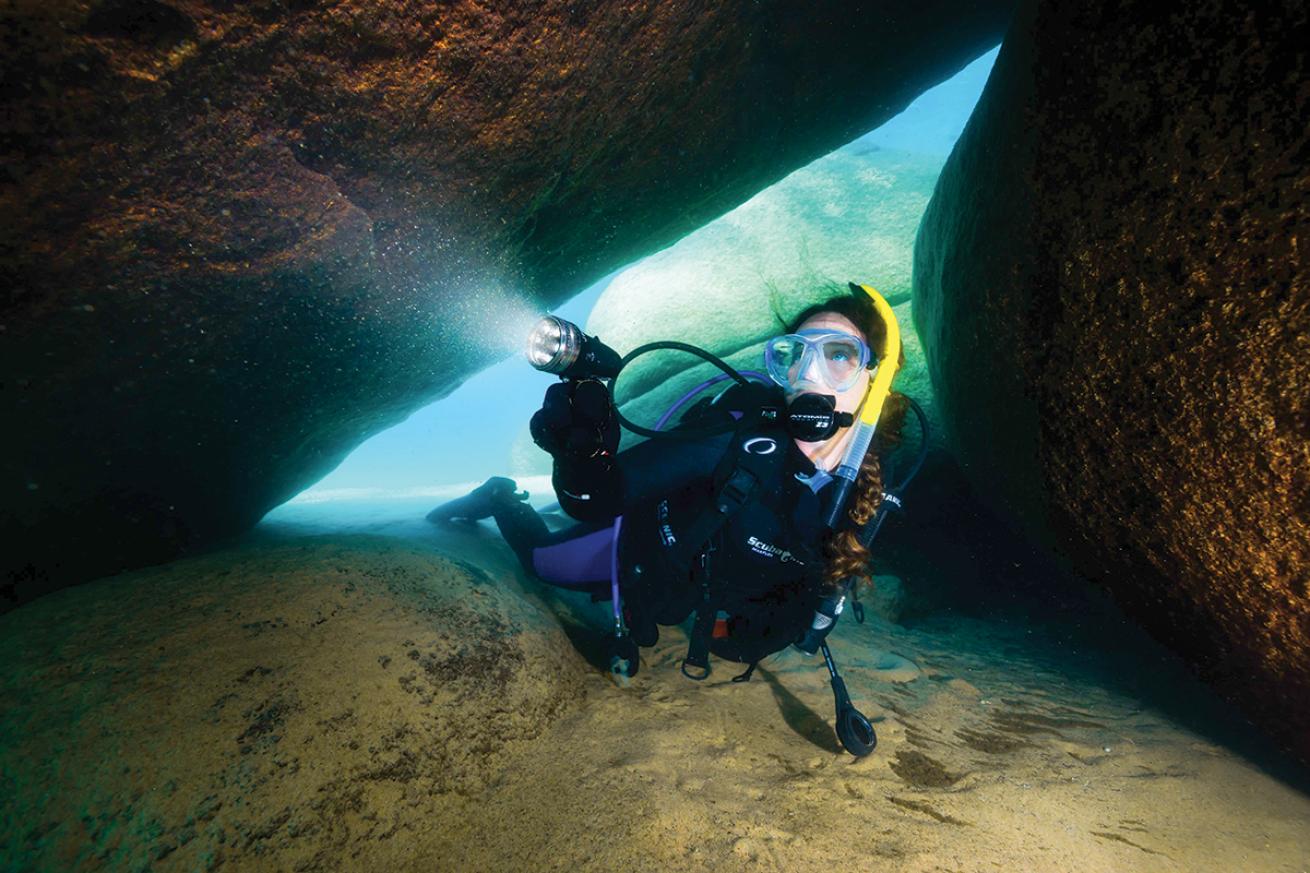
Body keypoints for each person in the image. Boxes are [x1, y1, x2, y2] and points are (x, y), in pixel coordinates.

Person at [427, 282, 907, 683]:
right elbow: (600, 497)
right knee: (541, 563)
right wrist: (579, 455)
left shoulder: (872, 480)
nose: (809, 375)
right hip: (637, 548)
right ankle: (500, 497)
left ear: (877, 377)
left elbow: (830, 573)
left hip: (701, 589)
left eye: (840, 355)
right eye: (793, 355)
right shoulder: (736, 435)